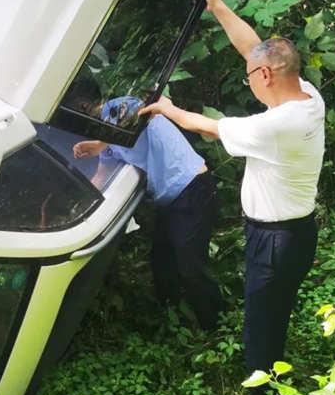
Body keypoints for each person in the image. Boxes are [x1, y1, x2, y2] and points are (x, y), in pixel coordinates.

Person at [139, 0, 325, 376]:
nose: (250, 80)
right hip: (297, 232)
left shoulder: (273, 127)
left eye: (249, 76)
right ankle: (273, 368)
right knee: (275, 310)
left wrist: (167, 108)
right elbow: (252, 48)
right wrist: (218, 7)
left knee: (261, 325)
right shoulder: (308, 96)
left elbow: (209, 127)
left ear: (266, 76)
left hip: (275, 240)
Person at [73, 95, 223, 331]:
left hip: (192, 187)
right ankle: (170, 321)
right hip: (169, 199)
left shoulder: (118, 106)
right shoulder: (105, 135)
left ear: (84, 105)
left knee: (191, 267)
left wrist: (100, 143)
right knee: (162, 262)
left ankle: (215, 324)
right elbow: (101, 175)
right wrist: (76, 206)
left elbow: (147, 110)